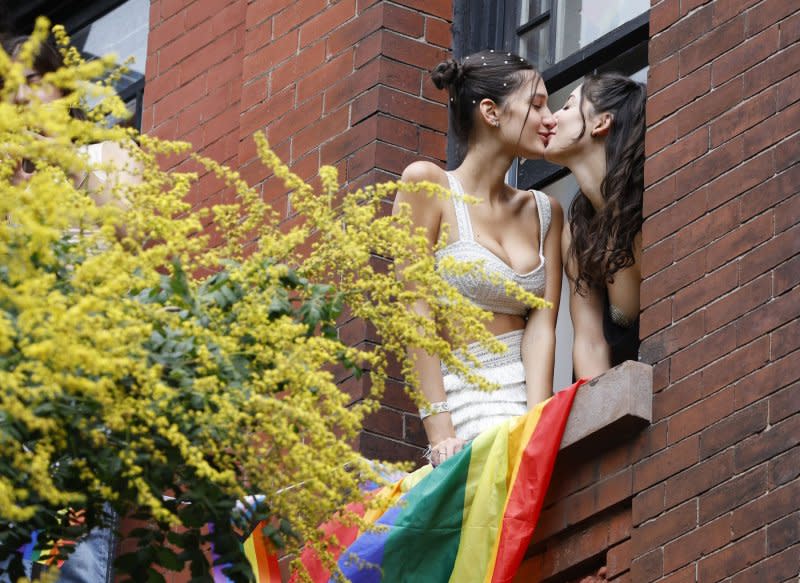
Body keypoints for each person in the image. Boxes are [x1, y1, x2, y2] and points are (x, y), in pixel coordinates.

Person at [2, 33, 140, 583]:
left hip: (79, 393)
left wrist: (61, 157)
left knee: (69, 563)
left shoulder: (106, 154)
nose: (18, 99)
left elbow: (131, 234)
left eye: (31, 82)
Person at [393, 50, 562, 467]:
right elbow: (413, 311)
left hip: (525, 397)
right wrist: (440, 431)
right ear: (491, 111)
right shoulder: (427, 185)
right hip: (463, 403)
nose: (551, 118)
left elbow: (542, 327)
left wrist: (536, 420)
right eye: (537, 104)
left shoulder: (546, 212)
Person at [544, 73, 646, 380]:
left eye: (567, 107)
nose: (551, 119)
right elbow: (588, 343)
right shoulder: (578, 231)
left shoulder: (651, 203)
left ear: (601, 123)